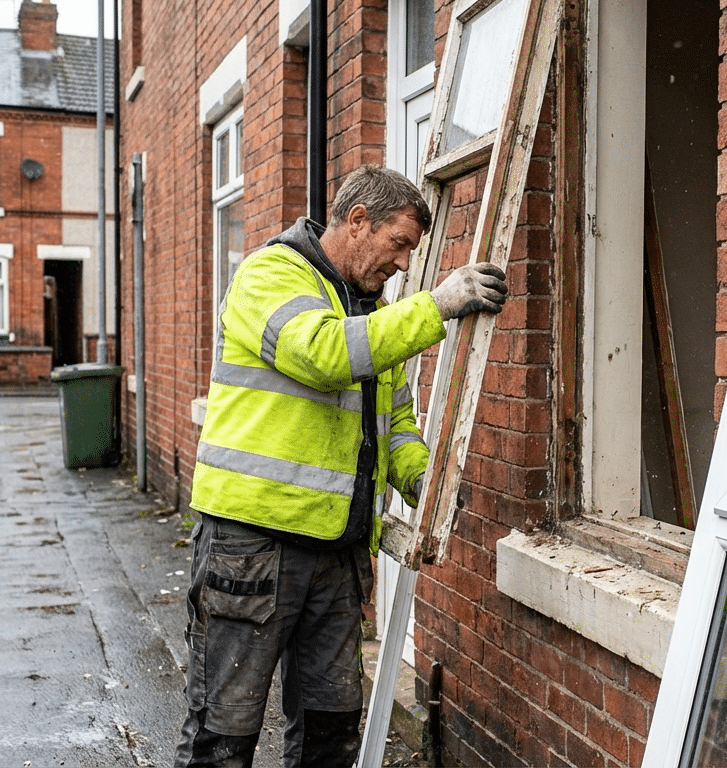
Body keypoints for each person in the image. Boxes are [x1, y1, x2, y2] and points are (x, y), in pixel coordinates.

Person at [174, 165, 507, 768]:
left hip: (337, 554)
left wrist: (421, 478)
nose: (405, 263)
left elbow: (395, 425)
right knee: (223, 740)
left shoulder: (372, 312)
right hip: (253, 548)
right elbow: (324, 355)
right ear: (357, 222)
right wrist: (439, 304)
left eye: (412, 251)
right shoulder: (270, 275)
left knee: (330, 736)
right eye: (399, 243)